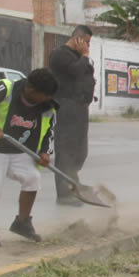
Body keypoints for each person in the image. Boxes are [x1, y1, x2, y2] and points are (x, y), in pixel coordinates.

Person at [0, 69, 59, 246]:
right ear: (31, 89)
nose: (47, 98)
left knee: (33, 178)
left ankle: (22, 223)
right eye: (44, 95)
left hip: (19, 151)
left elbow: (48, 131)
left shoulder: (47, 106)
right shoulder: (6, 89)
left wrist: (45, 152)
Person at [49, 25, 95, 207]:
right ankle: (64, 193)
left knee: (80, 151)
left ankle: (73, 182)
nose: (88, 47)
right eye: (87, 43)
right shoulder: (60, 55)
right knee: (66, 150)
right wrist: (84, 56)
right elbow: (75, 72)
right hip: (66, 106)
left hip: (80, 108)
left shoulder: (79, 58)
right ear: (79, 39)